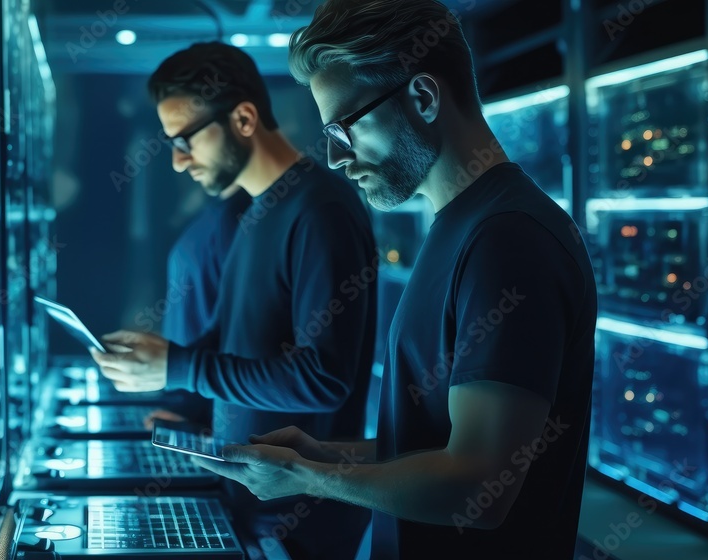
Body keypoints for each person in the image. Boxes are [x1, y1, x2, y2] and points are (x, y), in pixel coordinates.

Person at [189, 2, 599, 560]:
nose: (336, 158)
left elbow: (477, 486)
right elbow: (433, 447)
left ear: (425, 98)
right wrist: (323, 456)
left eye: (343, 128)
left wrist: (309, 480)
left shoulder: (508, 239)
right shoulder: (459, 228)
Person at [90, 41, 377, 560]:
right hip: (249, 505)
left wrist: (180, 366)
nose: (178, 163)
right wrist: (184, 401)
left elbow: (325, 379)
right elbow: (239, 344)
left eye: (186, 141)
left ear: (243, 118)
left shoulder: (320, 209)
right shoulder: (255, 213)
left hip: (295, 525)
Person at [145, 181, 251, 429]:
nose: (180, 163)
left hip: (208, 407)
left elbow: (236, 333)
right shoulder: (215, 210)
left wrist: (200, 417)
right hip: (190, 399)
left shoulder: (238, 217)